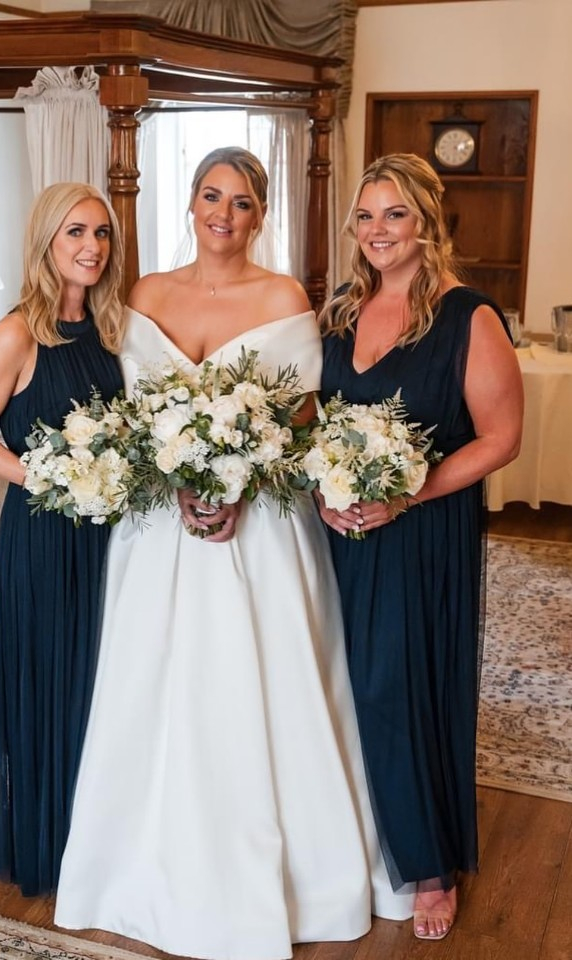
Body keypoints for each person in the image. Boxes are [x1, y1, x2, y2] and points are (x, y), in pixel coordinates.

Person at [54, 147, 414, 959]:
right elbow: (139, 416)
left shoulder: (284, 296)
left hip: (265, 526)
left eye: (243, 201)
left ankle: (298, 875)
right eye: (211, 196)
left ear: (261, 214)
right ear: (190, 203)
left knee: (272, 679)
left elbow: (301, 419)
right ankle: (136, 870)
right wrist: (176, 478)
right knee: (155, 680)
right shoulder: (145, 293)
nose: (225, 212)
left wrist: (240, 483)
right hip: (159, 529)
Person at [316, 153, 523, 940]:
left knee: (398, 685)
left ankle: (429, 864)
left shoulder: (468, 316)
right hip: (341, 531)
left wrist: (408, 491)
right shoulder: (339, 309)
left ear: (427, 222)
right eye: (366, 216)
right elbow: (312, 422)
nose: (378, 231)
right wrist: (321, 493)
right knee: (341, 680)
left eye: (395, 215)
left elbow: (501, 438)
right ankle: (356, 831)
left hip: (421, 531)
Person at [0, 182, 126, 896]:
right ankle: (50, 847)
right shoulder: (17, 332)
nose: (90, 247)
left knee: (103, 684)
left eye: (101, 233)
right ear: (47, 244)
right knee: (51, 681)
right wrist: (47, 479)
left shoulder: (112, 330)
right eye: (74, 234)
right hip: (45, 535)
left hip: (110, 538)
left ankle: (103, 844)